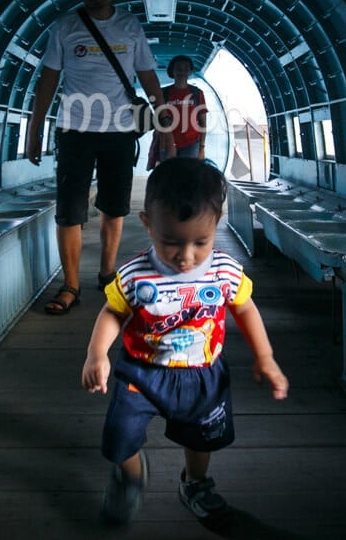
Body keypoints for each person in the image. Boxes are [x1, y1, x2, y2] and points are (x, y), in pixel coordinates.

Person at [80, 157, 289, 525]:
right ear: (147, 224)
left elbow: (245, 309)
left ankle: (195, 483)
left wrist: (265, 357)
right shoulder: (134, 276)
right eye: (171, 242)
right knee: (118, 436)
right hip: (141, 373)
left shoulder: (225, 271)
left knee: (201, 439)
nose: (186, 256)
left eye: (201, 242)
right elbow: (113, 312)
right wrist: (97, 354)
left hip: (201, 373)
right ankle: (130, 475)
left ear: (217, 225)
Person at [25, 0, 170, 315]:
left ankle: (107, 275)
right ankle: (70, 285)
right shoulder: (65, 27)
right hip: (74, 129)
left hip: (119, 131)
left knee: (114, 207)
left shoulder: (129, 26)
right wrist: (35, 127)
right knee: (69, 211)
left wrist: (164, 122)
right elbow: (48, 79)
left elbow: (149, 76)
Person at [151, 55, 206, 166]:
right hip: (166, 142)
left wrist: (201, 148)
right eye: (178, 68)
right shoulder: (163, 93)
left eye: (186, 68)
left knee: (188, 176)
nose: (182, 72)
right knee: (168, 176)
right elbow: (158, 120)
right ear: (172, 71)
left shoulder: (197, 93)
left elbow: (203, 123)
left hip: (191, 144)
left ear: (190, 71)